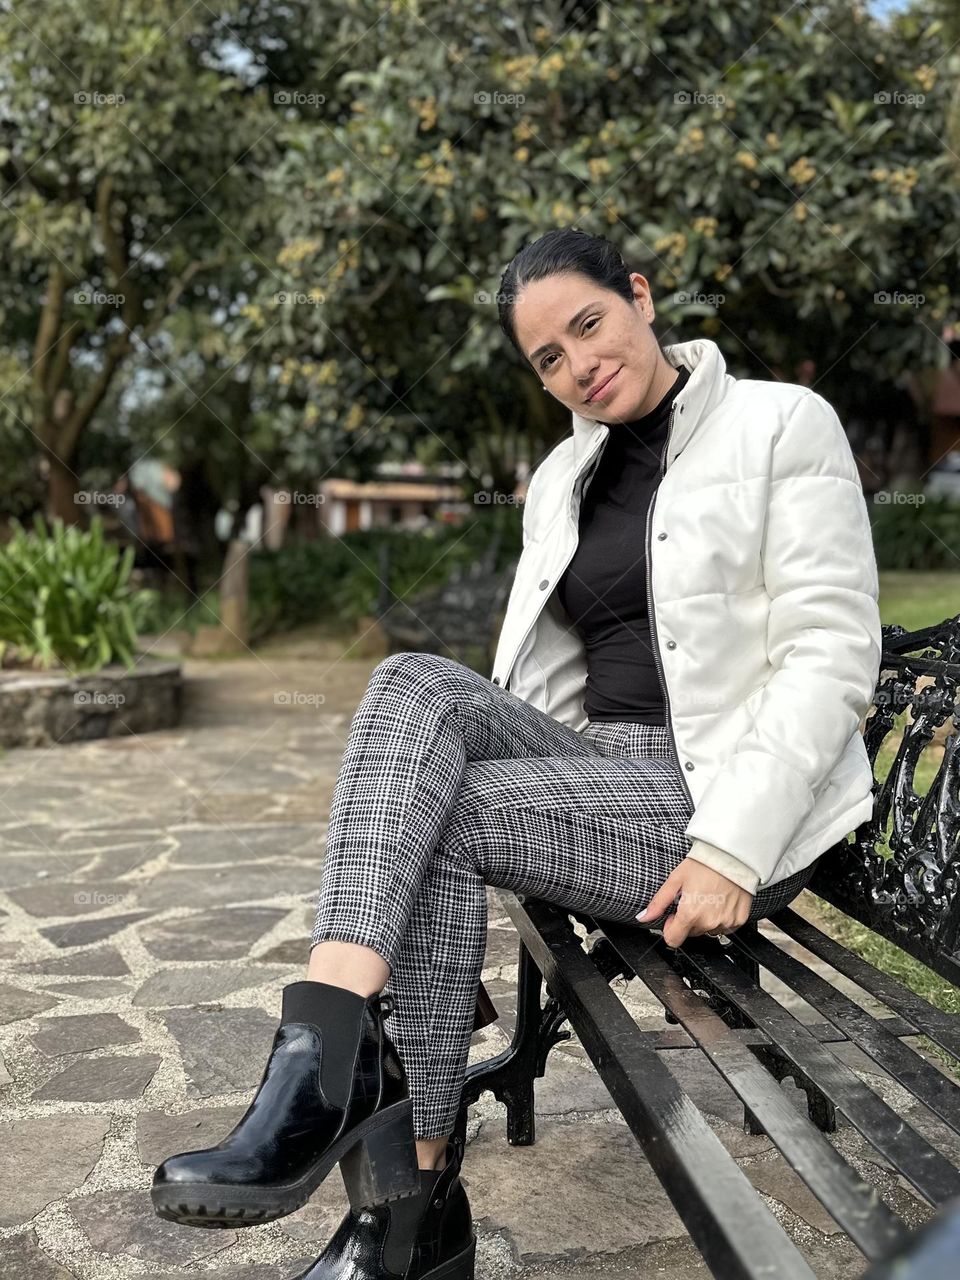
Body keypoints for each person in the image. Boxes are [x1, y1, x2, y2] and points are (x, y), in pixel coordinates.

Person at [150, 228, 883, 1279]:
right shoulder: (560, 476)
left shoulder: (779, 423)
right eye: (548, 358)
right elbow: (538, 684)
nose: (578, 364)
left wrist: (733, 845)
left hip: (723, 798)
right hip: (603, 772)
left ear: (638, 295)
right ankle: (333, 1053)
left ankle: (402, 1199)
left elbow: (830, 650)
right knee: (412, 681)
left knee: (451, 811)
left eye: (588, 324)